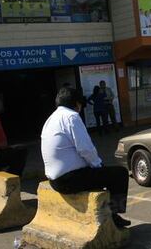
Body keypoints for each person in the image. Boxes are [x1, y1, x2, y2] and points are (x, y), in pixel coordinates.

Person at [41, 87, 130, 228]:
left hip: (55, 180)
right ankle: (113, 216)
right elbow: (86, 149)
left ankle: (110, 213)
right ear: (77, 104)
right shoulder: (72, 117)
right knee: (120, 174)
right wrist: (98, 165)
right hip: (70, 180)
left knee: (103, 174)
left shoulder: (51, 119)